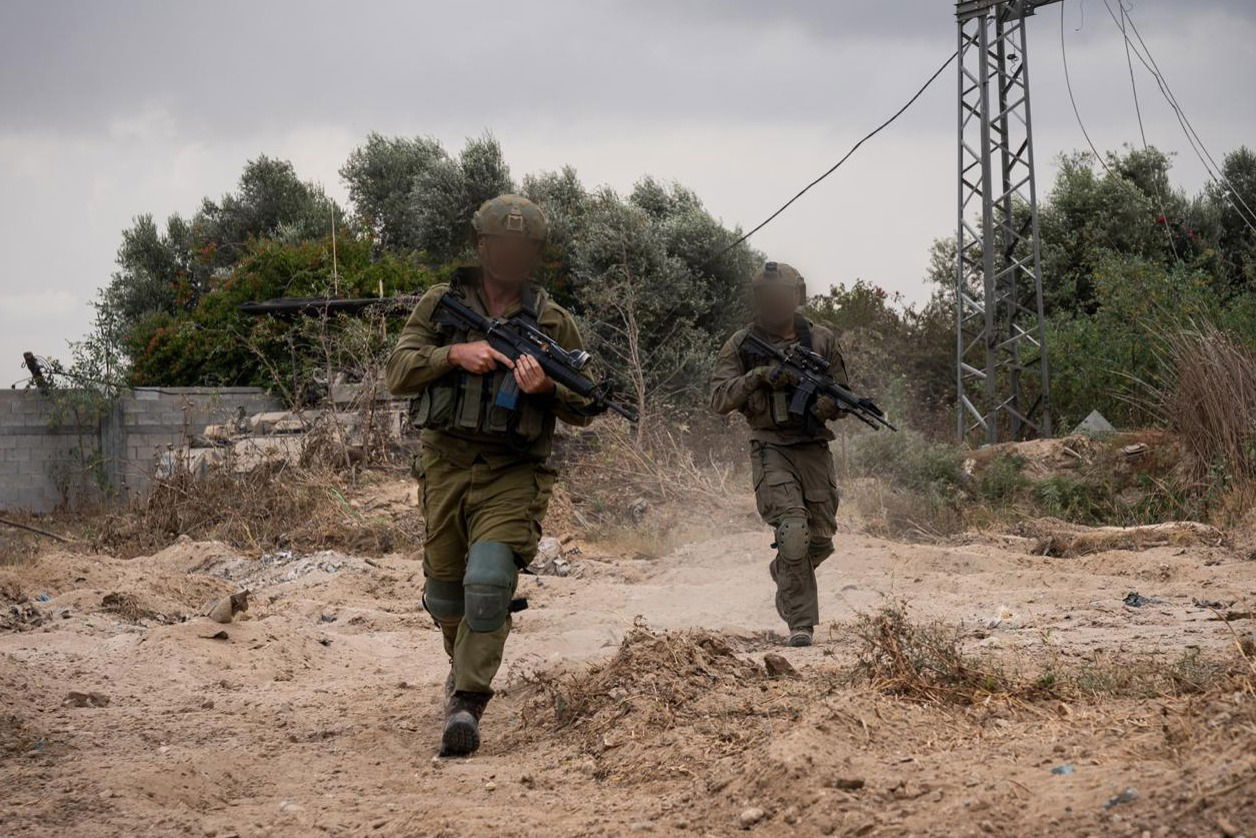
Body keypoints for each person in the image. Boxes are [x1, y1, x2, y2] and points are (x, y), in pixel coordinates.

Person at [384, 194, 592, 756]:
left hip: (513, 470)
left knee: (489, 582)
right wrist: (455, 354)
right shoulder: (440, 304)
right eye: (502, 245)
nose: (512, 255)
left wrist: (546, 388)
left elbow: (585, 403)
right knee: (446, 596)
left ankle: (468, 704)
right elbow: (398, 370)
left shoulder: (551, 321)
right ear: (482, 246)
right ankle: (461, 667)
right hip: (445, 465)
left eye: (524, 248)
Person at [708, 261, 850, 647]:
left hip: (813, 449)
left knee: (819, 539)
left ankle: (784, 572)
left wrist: (827, 406)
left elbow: (841, 394)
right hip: (770, 446)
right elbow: (719, 398)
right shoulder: (742, 344)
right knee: (792, 532)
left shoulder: (821, 340)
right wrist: (760, 376)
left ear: (796, 297)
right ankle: (801, 623)